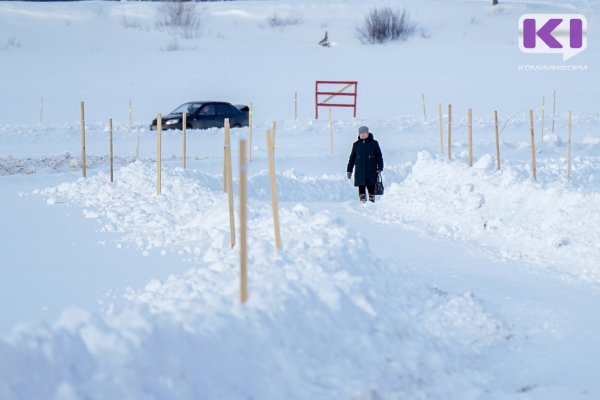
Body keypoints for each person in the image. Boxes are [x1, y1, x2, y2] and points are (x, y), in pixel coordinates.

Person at [346, 126, 384, 203]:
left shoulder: (374, 143)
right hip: (360, 171)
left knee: (371, 186)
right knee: (361, 186)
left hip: (371, 170)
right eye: (361, 133)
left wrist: (380, 167)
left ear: (368, 133)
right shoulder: (356, 145)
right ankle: (362, 201)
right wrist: (349, 170)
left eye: (364, 133)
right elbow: (352, 158)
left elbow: (379, 156)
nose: (362, 135)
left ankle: (371, 200)